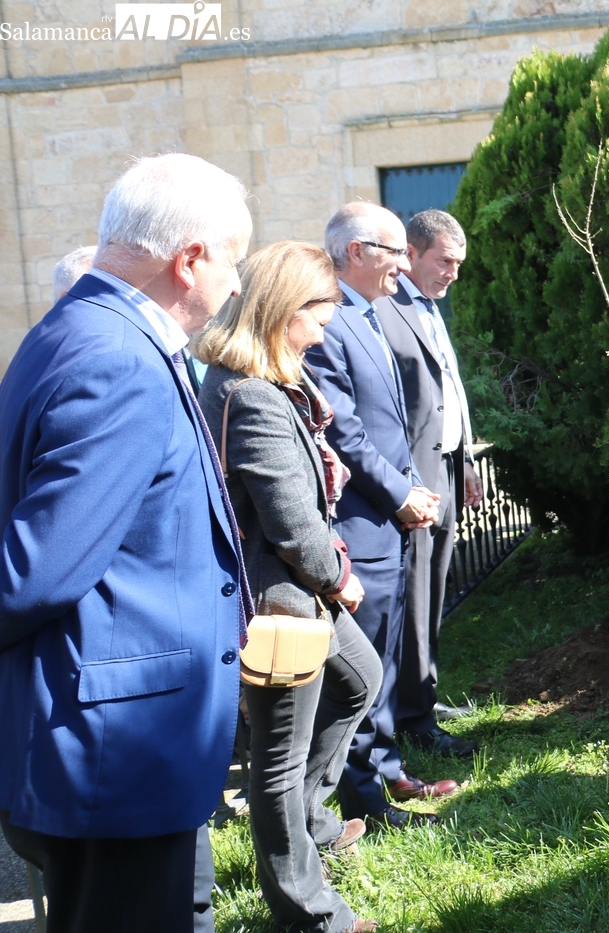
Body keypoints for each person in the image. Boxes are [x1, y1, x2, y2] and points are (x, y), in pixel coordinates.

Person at [0, 153, 252, 932]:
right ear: (190, 259)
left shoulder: (84, 327)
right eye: (234, 263)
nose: (236, 286)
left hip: (116, 741)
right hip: (115, 752)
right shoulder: (117, 355)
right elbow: (35, 570)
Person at [193, 241, 382, 933]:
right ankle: (310, 911)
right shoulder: (250, 395)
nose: (324, 332)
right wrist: (341, 578)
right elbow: (293, 524)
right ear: (281, 309)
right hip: (280, 602)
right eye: (319, 317)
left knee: (360, 678)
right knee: (277, 762)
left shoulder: (256, 382)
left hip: (298, 592)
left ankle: (309, 826)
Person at [305, 203, 455, 829]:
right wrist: (400, 494)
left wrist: (413, 486)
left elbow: (397, 424)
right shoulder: (328, 322)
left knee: (385, 662)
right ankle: (361, 802)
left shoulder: (368, 314)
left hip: (388, 522)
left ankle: (387, 769)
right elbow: (345, 433)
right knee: (360, 672)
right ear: (357, 252)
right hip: (360, 524)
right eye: (394, 251)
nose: (404, 262)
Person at [375, 209, 484, 756]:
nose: (452, 273)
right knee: (413, 595)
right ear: (411, 253)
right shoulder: (383, 308)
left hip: (445, 467)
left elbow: (448, 389)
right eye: (444, 261)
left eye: (458, 264)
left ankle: (424, 693)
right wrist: (407, 480)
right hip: (412, 476)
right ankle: (412, 717)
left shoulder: (430, 308)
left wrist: (464, 459)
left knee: (434, 589)